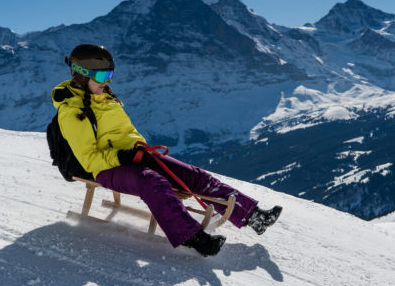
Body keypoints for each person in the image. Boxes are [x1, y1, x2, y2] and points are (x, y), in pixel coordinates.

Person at [51, 44, 282, 257]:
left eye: (110, 75)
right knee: (152, 182)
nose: (107, 81)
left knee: (193, 175)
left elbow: (123, 134)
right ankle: (191, 237)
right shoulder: (72, 112)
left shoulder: (103, 96)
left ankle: (254, 217)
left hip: (134, 155)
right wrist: (123, 156)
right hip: (104, 169)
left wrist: (137, 151)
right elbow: (90, 160)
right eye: (102, 75)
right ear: (82, 74)